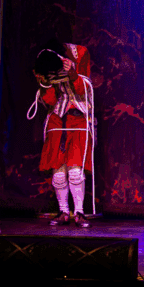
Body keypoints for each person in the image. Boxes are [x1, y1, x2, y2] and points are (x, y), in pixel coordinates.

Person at [28, 39, 96, 228]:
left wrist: (73, 75)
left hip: (78, 115)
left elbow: (85, 90)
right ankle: (63, 211)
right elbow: (50, 101)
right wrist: (44, 83)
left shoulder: (80, 53)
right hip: (57, 118)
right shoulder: (44, 61)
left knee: (75, 171)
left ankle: (79, 212)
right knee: (58, 172)